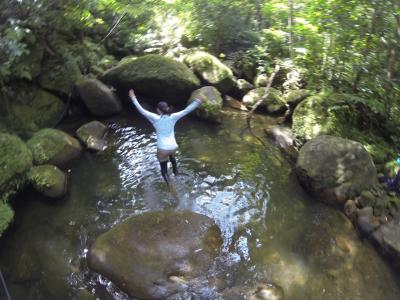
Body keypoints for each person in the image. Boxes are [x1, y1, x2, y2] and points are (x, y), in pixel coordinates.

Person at [129, 89, 202, 187]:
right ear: (167, 108)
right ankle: (176, 172)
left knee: (164, 170)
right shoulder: (173, 116)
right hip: (173, 146)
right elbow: (186, 110)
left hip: (163, 148)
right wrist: (197, 101)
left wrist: (133, 98)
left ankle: (170, 186)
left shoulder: (155, 118)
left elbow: (141, 110)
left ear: (158, 110)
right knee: (172, 156)